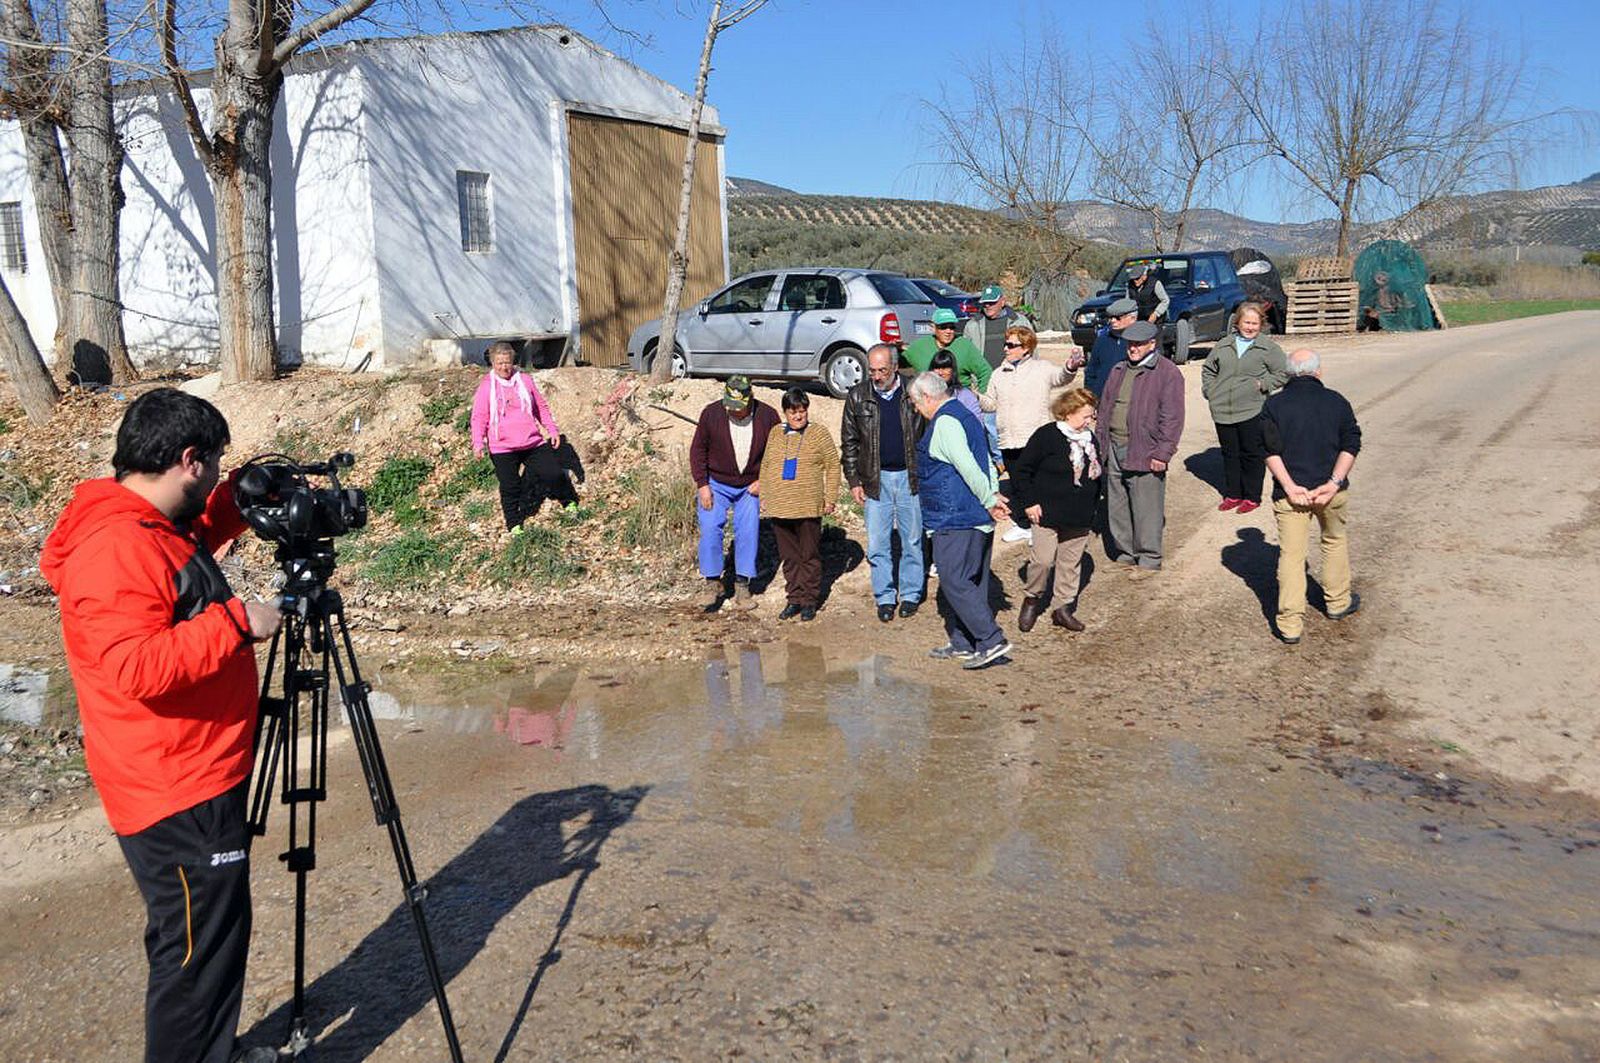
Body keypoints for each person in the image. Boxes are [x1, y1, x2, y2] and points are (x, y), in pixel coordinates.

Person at [39, 389, 283, 1063]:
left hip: (193, 768)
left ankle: (215, 1050)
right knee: (193, 958)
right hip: (172, 788)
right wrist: (237, 622)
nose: (212, 476)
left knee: (209, 938)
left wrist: (238, 495)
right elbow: (134, 667)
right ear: (186, 459)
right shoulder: (114, 546)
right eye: (214, 465)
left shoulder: (145, 521)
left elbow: (185, 553)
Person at [908, 371, 1013, 669]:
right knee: (971, 580)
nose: (917, 409)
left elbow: (968, 466)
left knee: (954, 579)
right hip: (971, 514)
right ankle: (964, 642)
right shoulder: (966, 415)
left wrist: (990, 499)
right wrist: (991, 493)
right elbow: (986, 461)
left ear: (927, 398)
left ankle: (991, 640)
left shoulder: (945, 423)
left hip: (955, 515)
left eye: (916, 403)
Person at [1261, 349, 1362, 644]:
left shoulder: (1274, 405)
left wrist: (1290, 487)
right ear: (1319, 372)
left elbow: (1269, 450)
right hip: (1331, 492)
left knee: (1291, 556)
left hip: (1291, 495)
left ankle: (1290, 624)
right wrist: (1333, 482)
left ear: (1289, 374)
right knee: (1333, 540)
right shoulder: (1337, 402)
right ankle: (1337, 602)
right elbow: (1352, 443)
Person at [841, 344, 927, 622]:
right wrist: (854, 479)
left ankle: (912, 593)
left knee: (912, 539)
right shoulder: (858, 396)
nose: (876, 376)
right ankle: (885, 596)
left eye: (882, 371)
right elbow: (850, 442)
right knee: (878, 543)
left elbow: (928, 432)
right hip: (874, 479)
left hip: (909, 477)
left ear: (895, 367)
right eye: (872, 371)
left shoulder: (913, 392)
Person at [1094, 320, 1185, 574]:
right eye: (1129, 344)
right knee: (1117, 502)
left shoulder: (1167, 372)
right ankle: (1125, 553)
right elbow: (1106, 408)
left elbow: (1173, 417)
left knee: (1146, 505)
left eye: (1138, 344)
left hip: (1145, 447)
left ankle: (1149, 559)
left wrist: (1163, 452)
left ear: (1151, 344)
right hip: (1113, 444)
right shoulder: (1118, 369)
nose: (1132, 348)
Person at [979, 325, 1085, 543]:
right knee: (1018, 484)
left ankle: (1042, 528)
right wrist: (974, 397)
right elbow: (990, 404)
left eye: (1011, 345)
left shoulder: (1041, 368)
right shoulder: (998, 374)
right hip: (1009, 439)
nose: (1006, 349)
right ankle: (1024, 524)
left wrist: (1071, 365)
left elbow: (1061, 377)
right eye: (1005, 344)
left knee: (1040, 484)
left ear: (1026, 348)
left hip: (1035, 438)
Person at [1009, 388, 1103, 633]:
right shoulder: (1047, 436)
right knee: (1042, 560)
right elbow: (1022, 471)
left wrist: (1094, 506)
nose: (1089, 421)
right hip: (1046, 512)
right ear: (1069, 412)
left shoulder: (1089, 439)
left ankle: (1063, 608)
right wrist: (1029, 502)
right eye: (1085, 416)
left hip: (1079, 514)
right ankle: (1032, 598)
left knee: (1070, 564)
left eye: (1091, 416)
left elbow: (1096, 475)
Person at [690, 375, 780, 611]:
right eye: (729, 405)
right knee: (710, 527)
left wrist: (765, 480)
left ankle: (742, 585)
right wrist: (702, 485)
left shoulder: (768, 416)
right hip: (716, 482)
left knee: (748, 530)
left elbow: (779, 453)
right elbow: (698, 450)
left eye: (738, 407)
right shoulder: (711, 414)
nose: (732, 411)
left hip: (750, 484)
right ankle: (712, 583)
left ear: (750, 400)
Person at [470, 340, 576, 534]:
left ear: (513, 361)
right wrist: (478, 442)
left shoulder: (525, 380)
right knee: (510, 486)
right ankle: (514, 523)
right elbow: (479, 417)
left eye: (507, 362)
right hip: (502, 448)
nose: (504, 367)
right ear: (493, 363)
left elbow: (540, 407)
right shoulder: (486, 387)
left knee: (553, 473)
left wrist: (551, 429)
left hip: (531, 442)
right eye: (500, 363)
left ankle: (569, 501)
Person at [759, 388, 841, 621]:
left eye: (802, 411)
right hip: (780, 506)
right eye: (793, 412)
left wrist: (831, 497)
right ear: (785, 412)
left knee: (809, 555)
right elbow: (765, 465)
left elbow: (833, 465)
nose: (798, 416)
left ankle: (809, 601)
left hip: (807, 505)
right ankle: (794, 599)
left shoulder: (819, 433)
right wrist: (764, 494)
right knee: (789, 556)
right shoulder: (775, 433)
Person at [1201, 302, 1288, 514]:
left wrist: (1262, 385)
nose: (1250, 327)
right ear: (1238, 322)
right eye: (1247, 322)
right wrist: (1210, 391)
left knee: (1251, 453)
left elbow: (1283, 372)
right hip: (1222, 409)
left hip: (1252, 409)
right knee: (1230, 454)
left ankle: (1251, 496)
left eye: (1255, 323)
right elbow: (1208, 369)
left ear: (1261, 324)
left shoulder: (1267, 347)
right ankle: (1233, 494)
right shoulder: (1224, 344)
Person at [901, 307, 992, 394]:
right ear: (933, 327)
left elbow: (985, 371)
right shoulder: (919, 347)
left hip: (959, 398)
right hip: (929, 400)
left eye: (952, 327)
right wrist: (895, 348)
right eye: (943, 327)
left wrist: (979, 397)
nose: (948, 331)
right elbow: (898, 362)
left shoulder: (964, 346)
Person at [963, 284, 1035, 369]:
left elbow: (1032, 350)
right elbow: (965, 356)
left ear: (1003, 301)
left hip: (1015, 376)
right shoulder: (972, 325)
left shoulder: (1020, 322)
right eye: (985, 303)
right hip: (983, 379)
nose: (987, 305)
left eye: (992, 302)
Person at [1086, 297, 1137, 398]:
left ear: (1133, 318)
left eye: (1118, 317)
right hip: (1102, 398)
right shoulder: (1102, 340)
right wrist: (1090, 397)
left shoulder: (1141, 342)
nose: (1113, 321)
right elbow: (1092, 371)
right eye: (1111, 317)